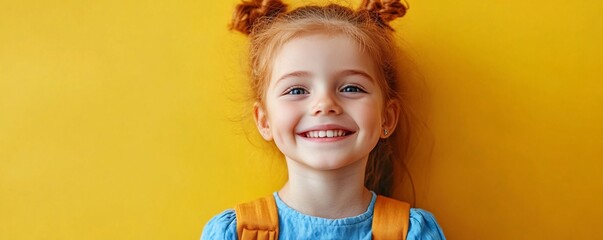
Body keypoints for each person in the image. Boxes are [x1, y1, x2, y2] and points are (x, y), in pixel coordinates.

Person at [202, 0, 446, 239]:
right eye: (296, 90)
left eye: (351, 88)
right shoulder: (233, 233)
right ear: (264, 121)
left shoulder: (414, 233)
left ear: (387, 117)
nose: (325, 105)